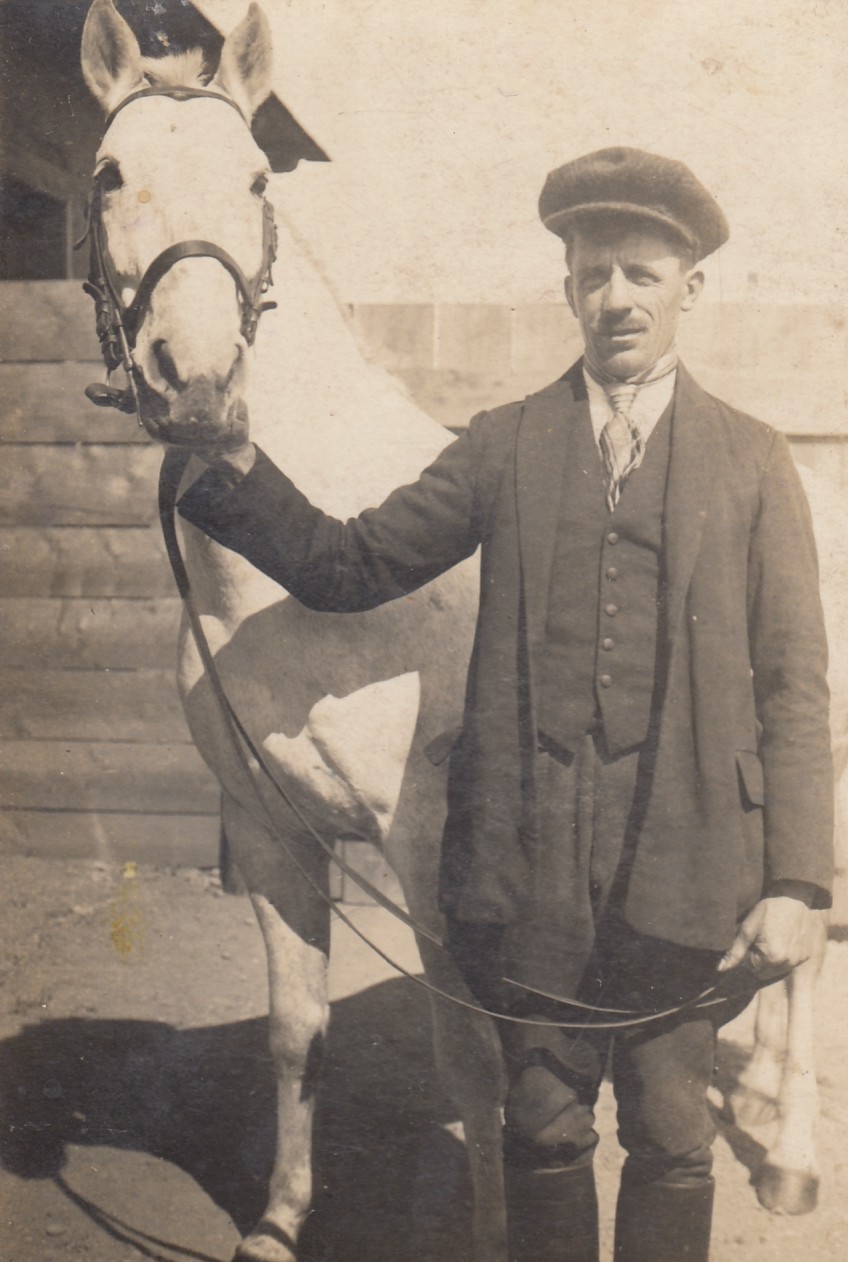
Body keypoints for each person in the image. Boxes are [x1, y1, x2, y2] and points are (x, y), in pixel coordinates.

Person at [177, 147, 833, 1262]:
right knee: (539, 1130)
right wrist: (233, 464)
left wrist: (798, 882)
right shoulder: (500, 445)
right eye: (592, 274)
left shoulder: (753, 460)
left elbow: (795, 687)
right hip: (527, 875)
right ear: (566, 288)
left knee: (674, 1138)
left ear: (689, 288)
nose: (616, 298)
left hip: (685, 866)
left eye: (641, 273)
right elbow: (347, 563)